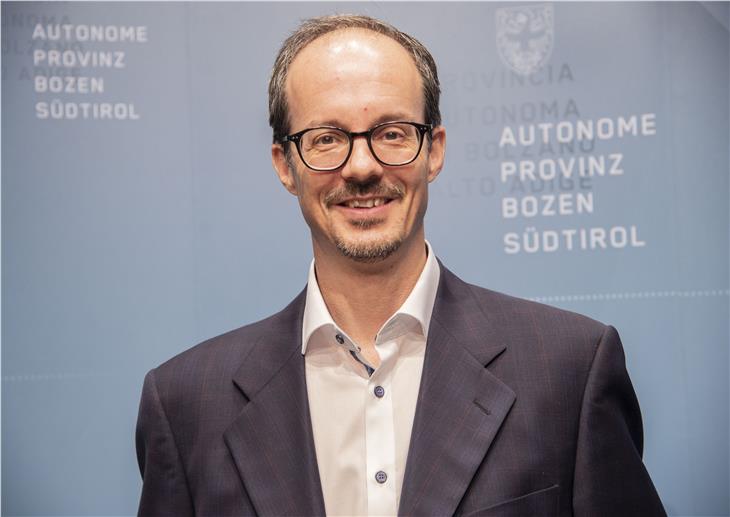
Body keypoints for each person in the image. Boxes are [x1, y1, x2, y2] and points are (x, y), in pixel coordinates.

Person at [136, 14, 666, 517]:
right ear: (285, 164)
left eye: (392, 132)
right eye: (326, 139)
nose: (362, 167)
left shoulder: (569, 373)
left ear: (433, 150)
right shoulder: (186, 406)